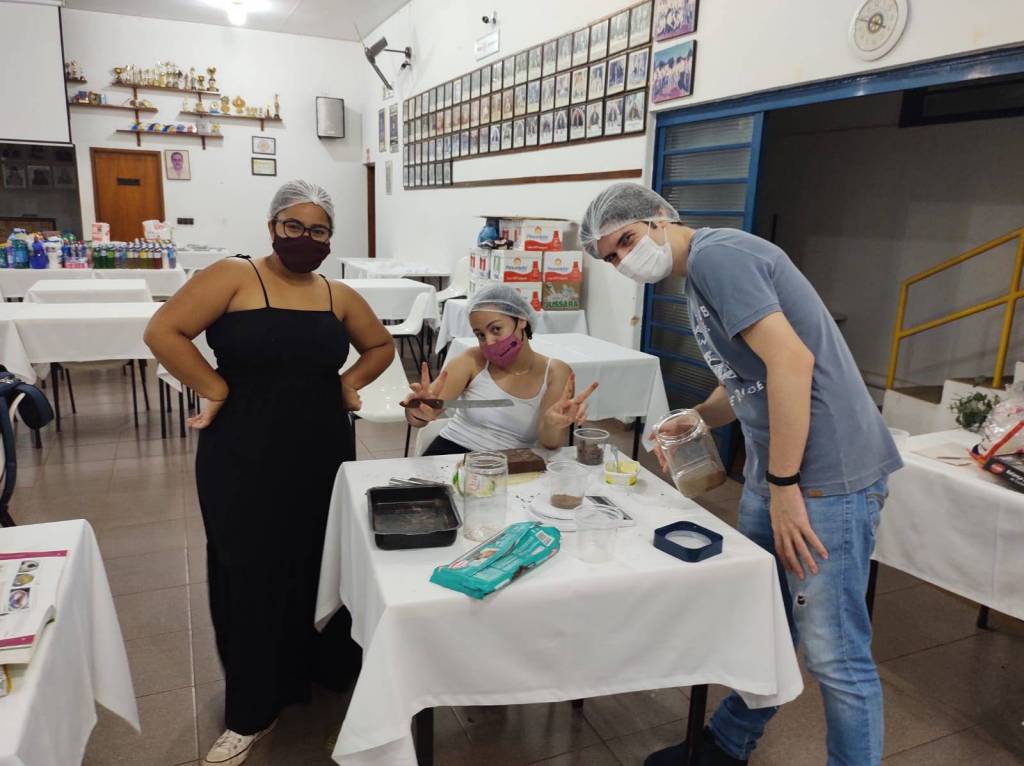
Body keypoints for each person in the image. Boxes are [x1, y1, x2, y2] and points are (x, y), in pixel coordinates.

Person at [580, 183, 902, 766]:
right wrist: (699, 417)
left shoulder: (719, 256)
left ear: (658, 216)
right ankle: (728, 742)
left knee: (835, 652)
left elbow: (792, 362)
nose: (624, 260)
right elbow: (747, 378)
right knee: (769, 622)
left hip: (825, 475)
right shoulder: (697, 279)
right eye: (611, 257)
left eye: (626, 240)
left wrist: (784, 487)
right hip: (777, 471)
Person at [144, 180, 394, 766]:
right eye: (294, 226)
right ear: (272, 227)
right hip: (243, 449)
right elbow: (163, 332)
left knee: (318, 560)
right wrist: (213, 387)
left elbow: (380, 346)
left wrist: (349, 383)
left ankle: (320, 673)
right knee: (249, 569)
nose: (307, 238)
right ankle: (251, 708)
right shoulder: (234, 276)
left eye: (319, 230)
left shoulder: (337, 294)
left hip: (322, 449)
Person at [403, 284, 597, 455]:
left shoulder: (555, 373)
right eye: (480, 334)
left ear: (522, 320)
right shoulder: (472, 360)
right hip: (450, 452)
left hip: (509, 465)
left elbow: (549, 442)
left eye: (496, 329)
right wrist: (417, 412)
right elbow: (425, 412)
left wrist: (553, 422)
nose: (489, 342)